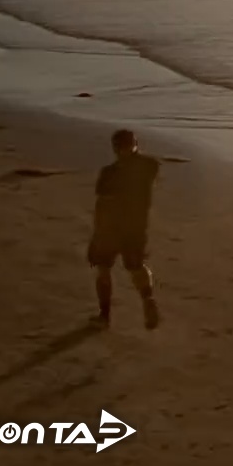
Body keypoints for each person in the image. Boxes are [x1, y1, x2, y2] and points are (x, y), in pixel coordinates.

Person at [87, 128, 162, 329]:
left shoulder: (108, 173)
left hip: (110, 228)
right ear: (135, 144)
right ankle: (148, 300)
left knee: (103, 270)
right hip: (136, 227)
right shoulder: (149, 166)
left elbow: (102, 203)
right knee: (136, 267)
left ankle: (104, 316)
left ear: (115, 148)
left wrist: (96, 233)